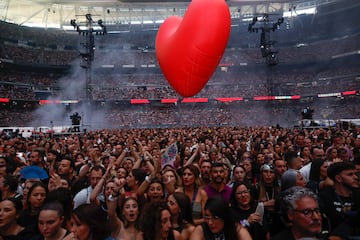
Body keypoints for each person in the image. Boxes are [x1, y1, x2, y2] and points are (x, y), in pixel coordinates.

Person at [319, 161, 360, 231]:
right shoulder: (325, 197)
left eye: (356, 174)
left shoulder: (358, 194)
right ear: (338, 178)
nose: (356, 177)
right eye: (350, 174)